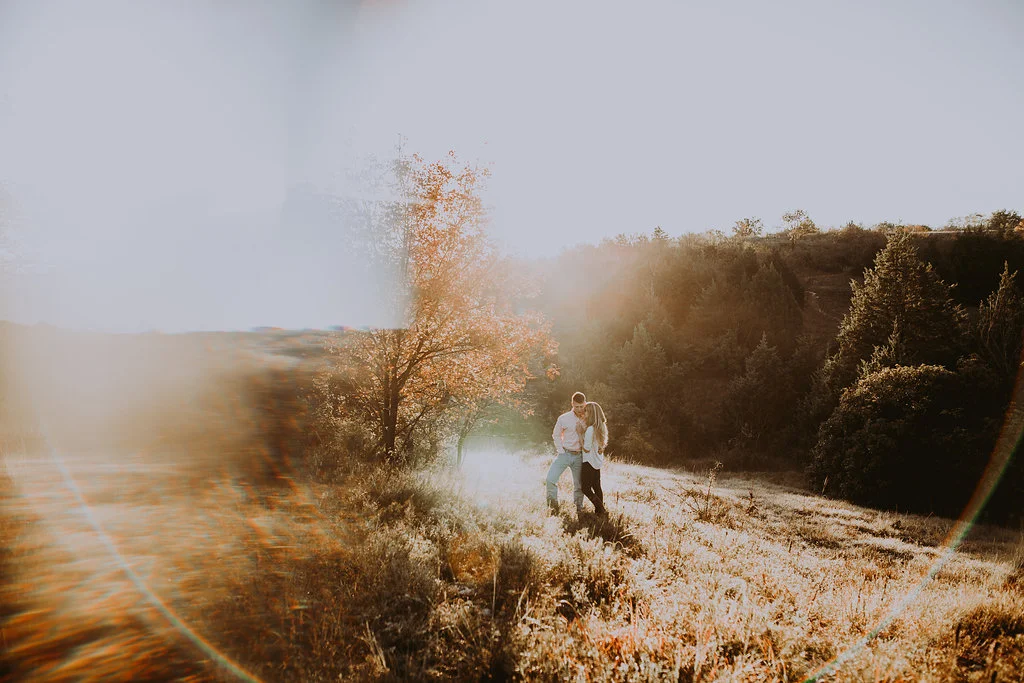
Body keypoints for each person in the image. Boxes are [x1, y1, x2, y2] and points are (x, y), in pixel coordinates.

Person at [547, 392, 587, 515]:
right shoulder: (564, 418)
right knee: (550, 479)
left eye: (581, 406)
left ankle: (579, 509)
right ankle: (552, 506)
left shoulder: (588, 417)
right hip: (565, 454)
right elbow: (556, 435)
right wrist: (561, 451)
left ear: (585, 403)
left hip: (580, 456)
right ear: (572, 404)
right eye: (576, 407)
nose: (579, 409)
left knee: (579, 485)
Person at [578, 401, 608, 516]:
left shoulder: (590, 429)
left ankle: (600, 508)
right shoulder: (601, 426)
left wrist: (580, 434)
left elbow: (586, 448)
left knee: (585, 488)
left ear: (591, 413)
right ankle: (599, 511)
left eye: (585, 411)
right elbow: (601, 445)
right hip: (597, 461)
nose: (583, 413)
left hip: (589, 461)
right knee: (596, 486)